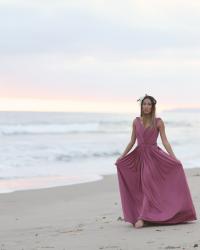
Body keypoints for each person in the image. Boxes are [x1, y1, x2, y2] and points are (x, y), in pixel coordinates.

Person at [115, 94, 197, 229]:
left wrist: (174, 158)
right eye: (144, 104)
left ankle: (143, 217)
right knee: (142, 185)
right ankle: (146, 215)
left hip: (153, 156)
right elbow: (132, 141)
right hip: (139, 156)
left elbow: (165, 141)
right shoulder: (136, 121)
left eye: (149, 104)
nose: (146, 107)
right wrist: (122, 156)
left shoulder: (158, 122)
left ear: (153, 107)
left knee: (147, 182)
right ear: (141, 106)